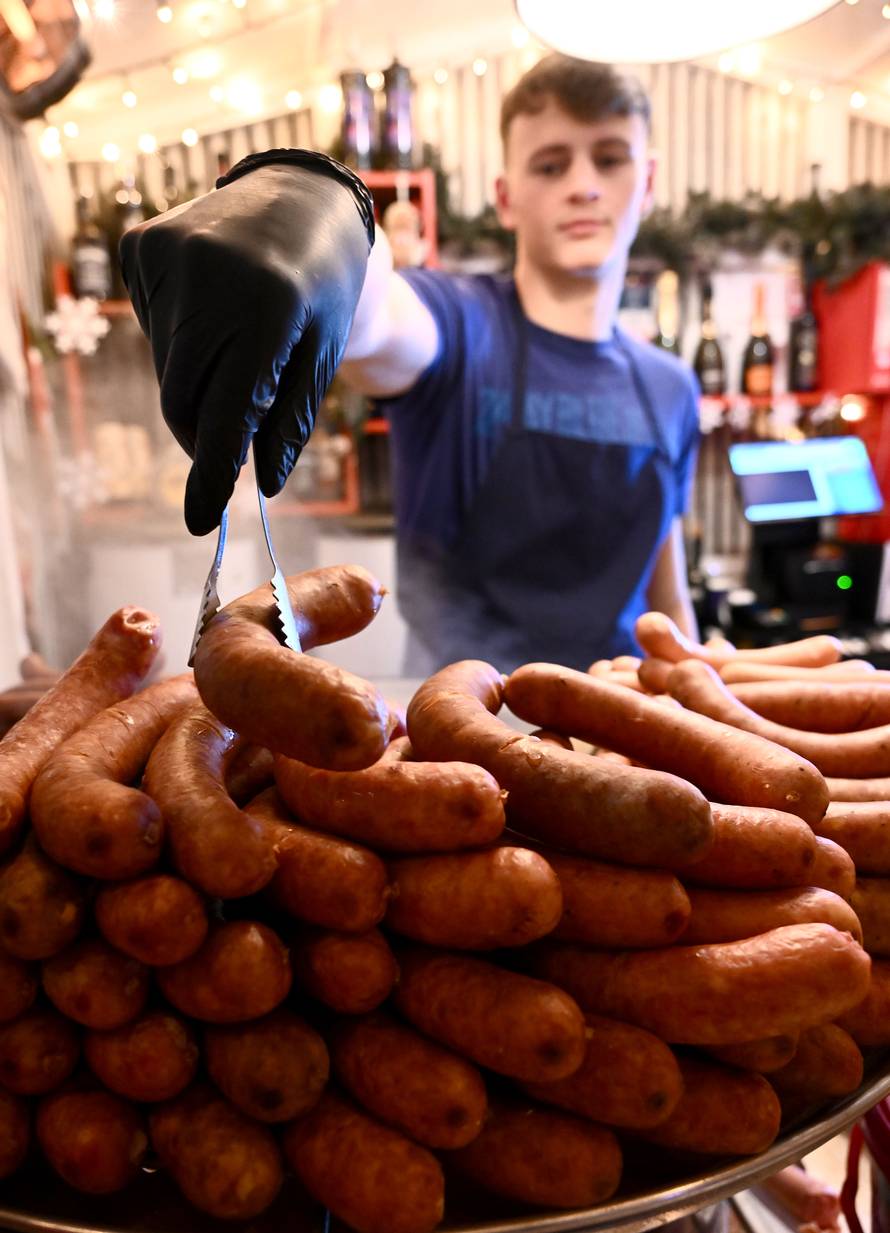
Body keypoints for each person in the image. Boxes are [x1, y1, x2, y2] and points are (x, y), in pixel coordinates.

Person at [120, 53, 700, 674]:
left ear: (647, 183)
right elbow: (382, 313)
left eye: (609, 159)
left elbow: (668, 596)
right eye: (550, 165)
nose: (583, 185)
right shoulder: (462, 323)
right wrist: (324, 219)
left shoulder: (671, 388)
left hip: (627, 717)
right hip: (459, 719)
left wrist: (699, 684)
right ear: (506, 199)